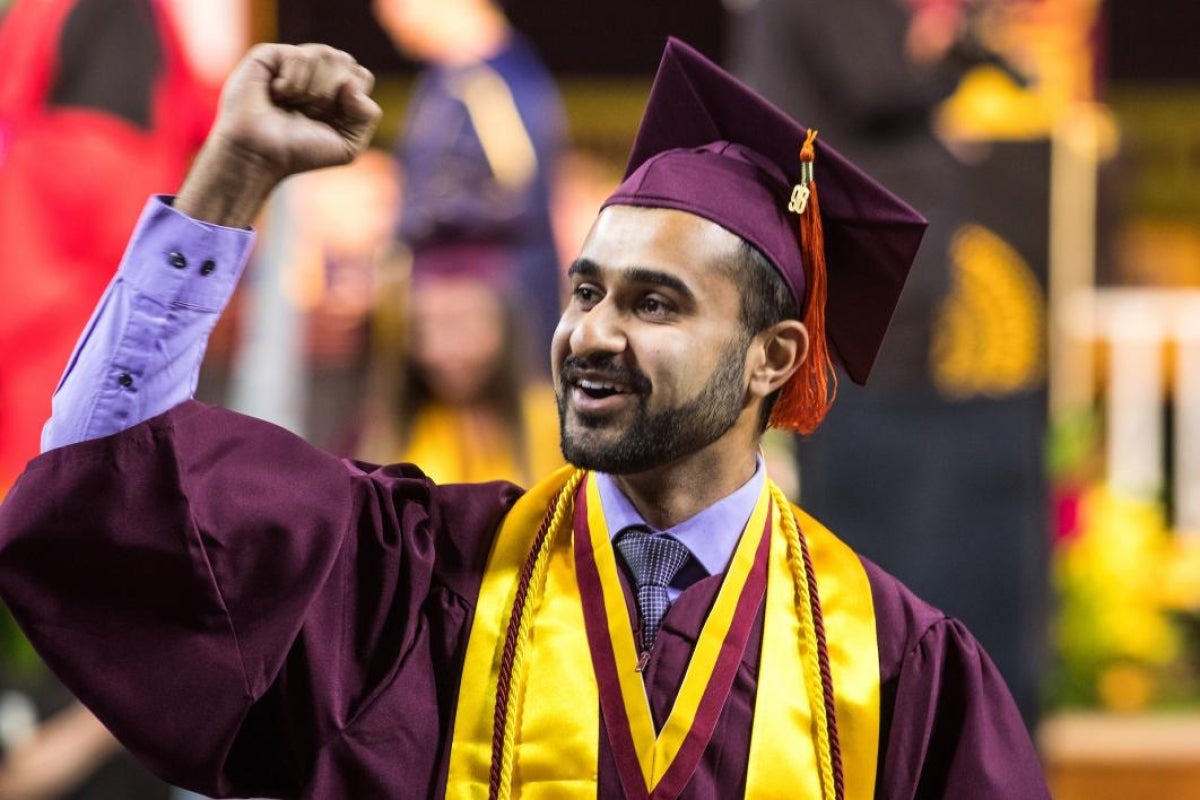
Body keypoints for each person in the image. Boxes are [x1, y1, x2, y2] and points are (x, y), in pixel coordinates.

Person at [0, 40, 1051, 799]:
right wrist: (229, 179)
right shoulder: (410, 579)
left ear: (772, 358)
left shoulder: (897, 669)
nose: (590, 332)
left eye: (652, 302)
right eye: (583, 289)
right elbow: (104, 473)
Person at [374, 0, 566, 374]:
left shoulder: (490, 81)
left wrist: (409, 216)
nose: (389, 16)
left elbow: (515, 193)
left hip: (493, 316)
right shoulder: (448, 79)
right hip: (458, 325)